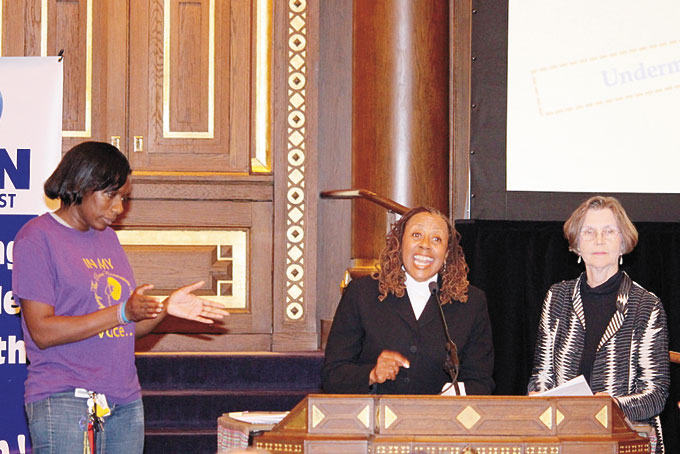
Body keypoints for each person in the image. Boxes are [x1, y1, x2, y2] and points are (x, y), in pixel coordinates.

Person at [12, 141, 230, 454]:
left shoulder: (108, 238)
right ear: (81, 185)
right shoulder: (36, 237)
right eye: (110, 195)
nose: (119, 208)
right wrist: (122, 312)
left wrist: (164, 310)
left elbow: (127, 328)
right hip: (63, 398)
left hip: (123, 398)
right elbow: (43, 332)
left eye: (123, 198)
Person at [527, 196, 669, 454]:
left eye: (609, 231)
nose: (599, 240)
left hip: (627, 438)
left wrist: (611, 405)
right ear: (577, 244)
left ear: (623, 241)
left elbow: (655, 394)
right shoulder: (557, 297)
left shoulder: (646, 305)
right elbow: (542, 376)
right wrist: (539, 398)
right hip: (563, 436)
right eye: (589, 232)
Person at [322, 206, 494, 395]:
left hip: (438, 422)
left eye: (436, 239)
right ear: (400, 243)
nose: (425, 245)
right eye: (416, 235)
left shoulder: (471, 303)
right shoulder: (362, 294)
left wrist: (451, 397)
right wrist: (371, 374)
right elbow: (332, 375)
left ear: (446, 254)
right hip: (375, 420)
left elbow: (481, 382)